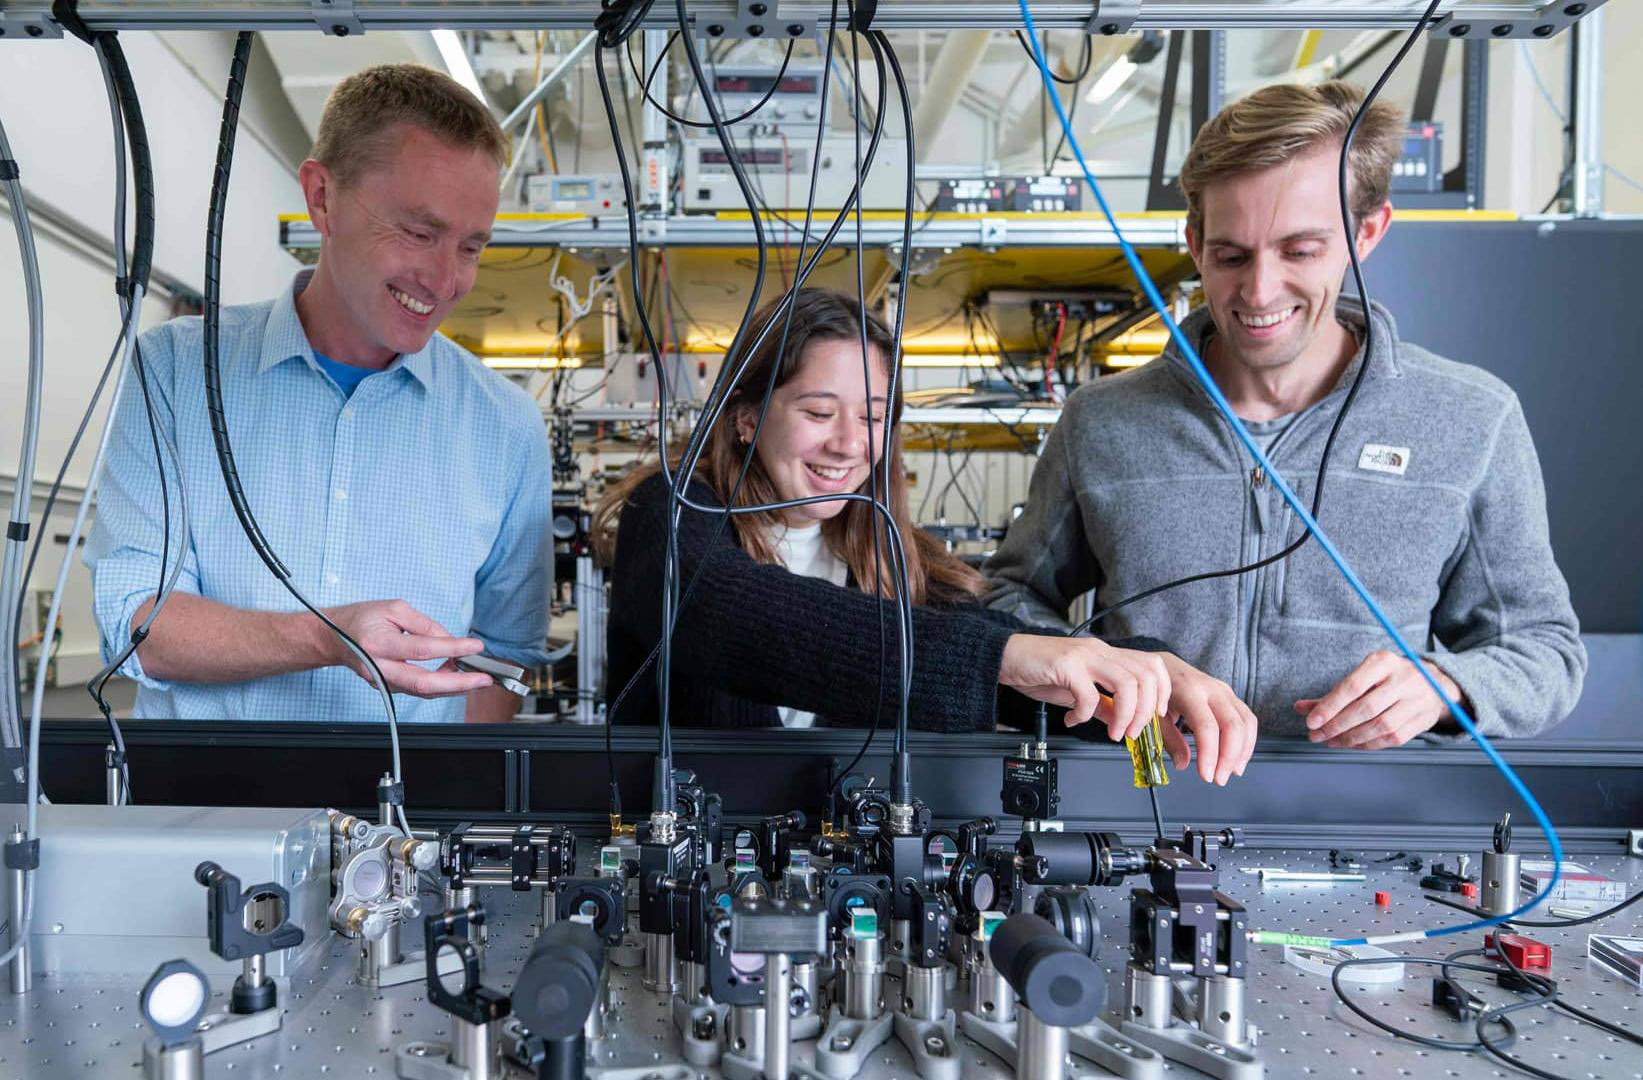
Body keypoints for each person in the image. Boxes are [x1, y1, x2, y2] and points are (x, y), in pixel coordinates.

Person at [984, 80, 1585, 750]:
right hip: (1137, 813)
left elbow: (1543, 653)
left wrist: (1443, 685)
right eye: (1230, 256)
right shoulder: (1101, 421)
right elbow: (1002, 600)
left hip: (1362, 831)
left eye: (1299, 250)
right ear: (1193, 242)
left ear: (1366, 233)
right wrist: (1098, 669)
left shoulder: (1471, 418)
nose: (1259, 290)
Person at [594, 289, 1257, 785]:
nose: (850, 444)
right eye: (818, 412)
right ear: (744, 418)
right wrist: (1001, 657)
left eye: (874, 417)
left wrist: (1140, 669)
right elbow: (731, 617)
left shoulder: (892, 560)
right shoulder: (671, 516)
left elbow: (1019, 676)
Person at [86, 65, 553, 723]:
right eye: (419, 232)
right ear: (322, 198)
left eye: (471, 247)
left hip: (408, 816)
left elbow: (501, 658)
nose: (447, 279)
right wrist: (326, 636)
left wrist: (450, 803)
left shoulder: (505, 426)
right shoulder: (175, 372)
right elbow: (133, 617)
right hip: (198, 812)